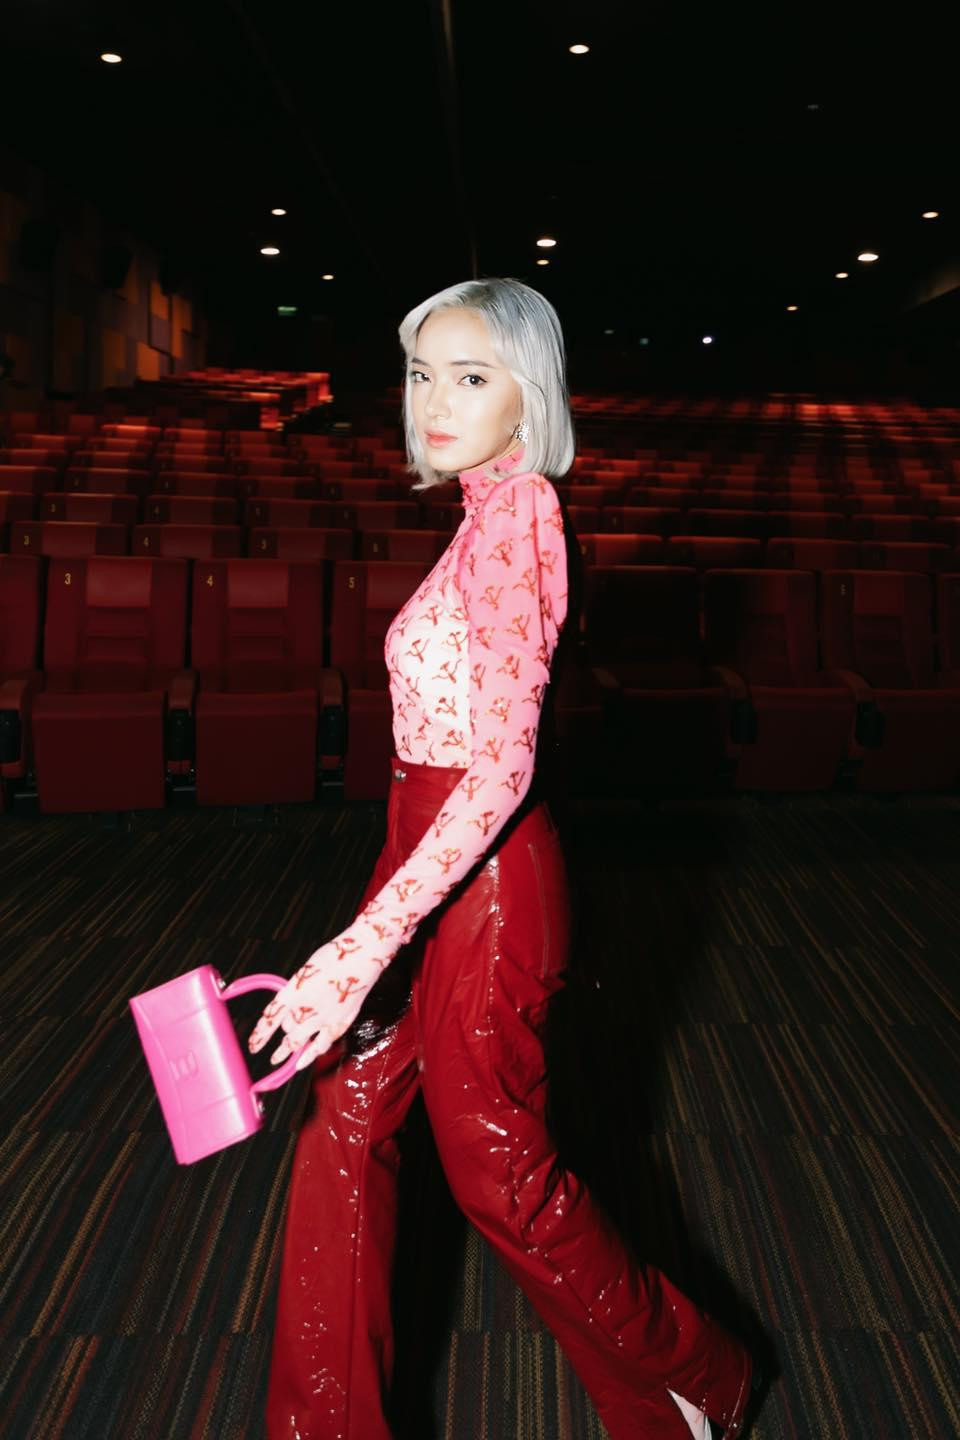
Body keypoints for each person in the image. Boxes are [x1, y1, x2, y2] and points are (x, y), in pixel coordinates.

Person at [247, 278, 759, 1439]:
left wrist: (360, 947)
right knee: (347, 1115)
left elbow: (498, 772)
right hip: (424, 854)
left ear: (529, 396)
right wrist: (376, 920)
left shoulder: (522, 513)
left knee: (497, 1171)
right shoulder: (483, 515)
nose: (433, 401)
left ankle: (697, 1374)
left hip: (484, 881)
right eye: (422, 373)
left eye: (470, 376)